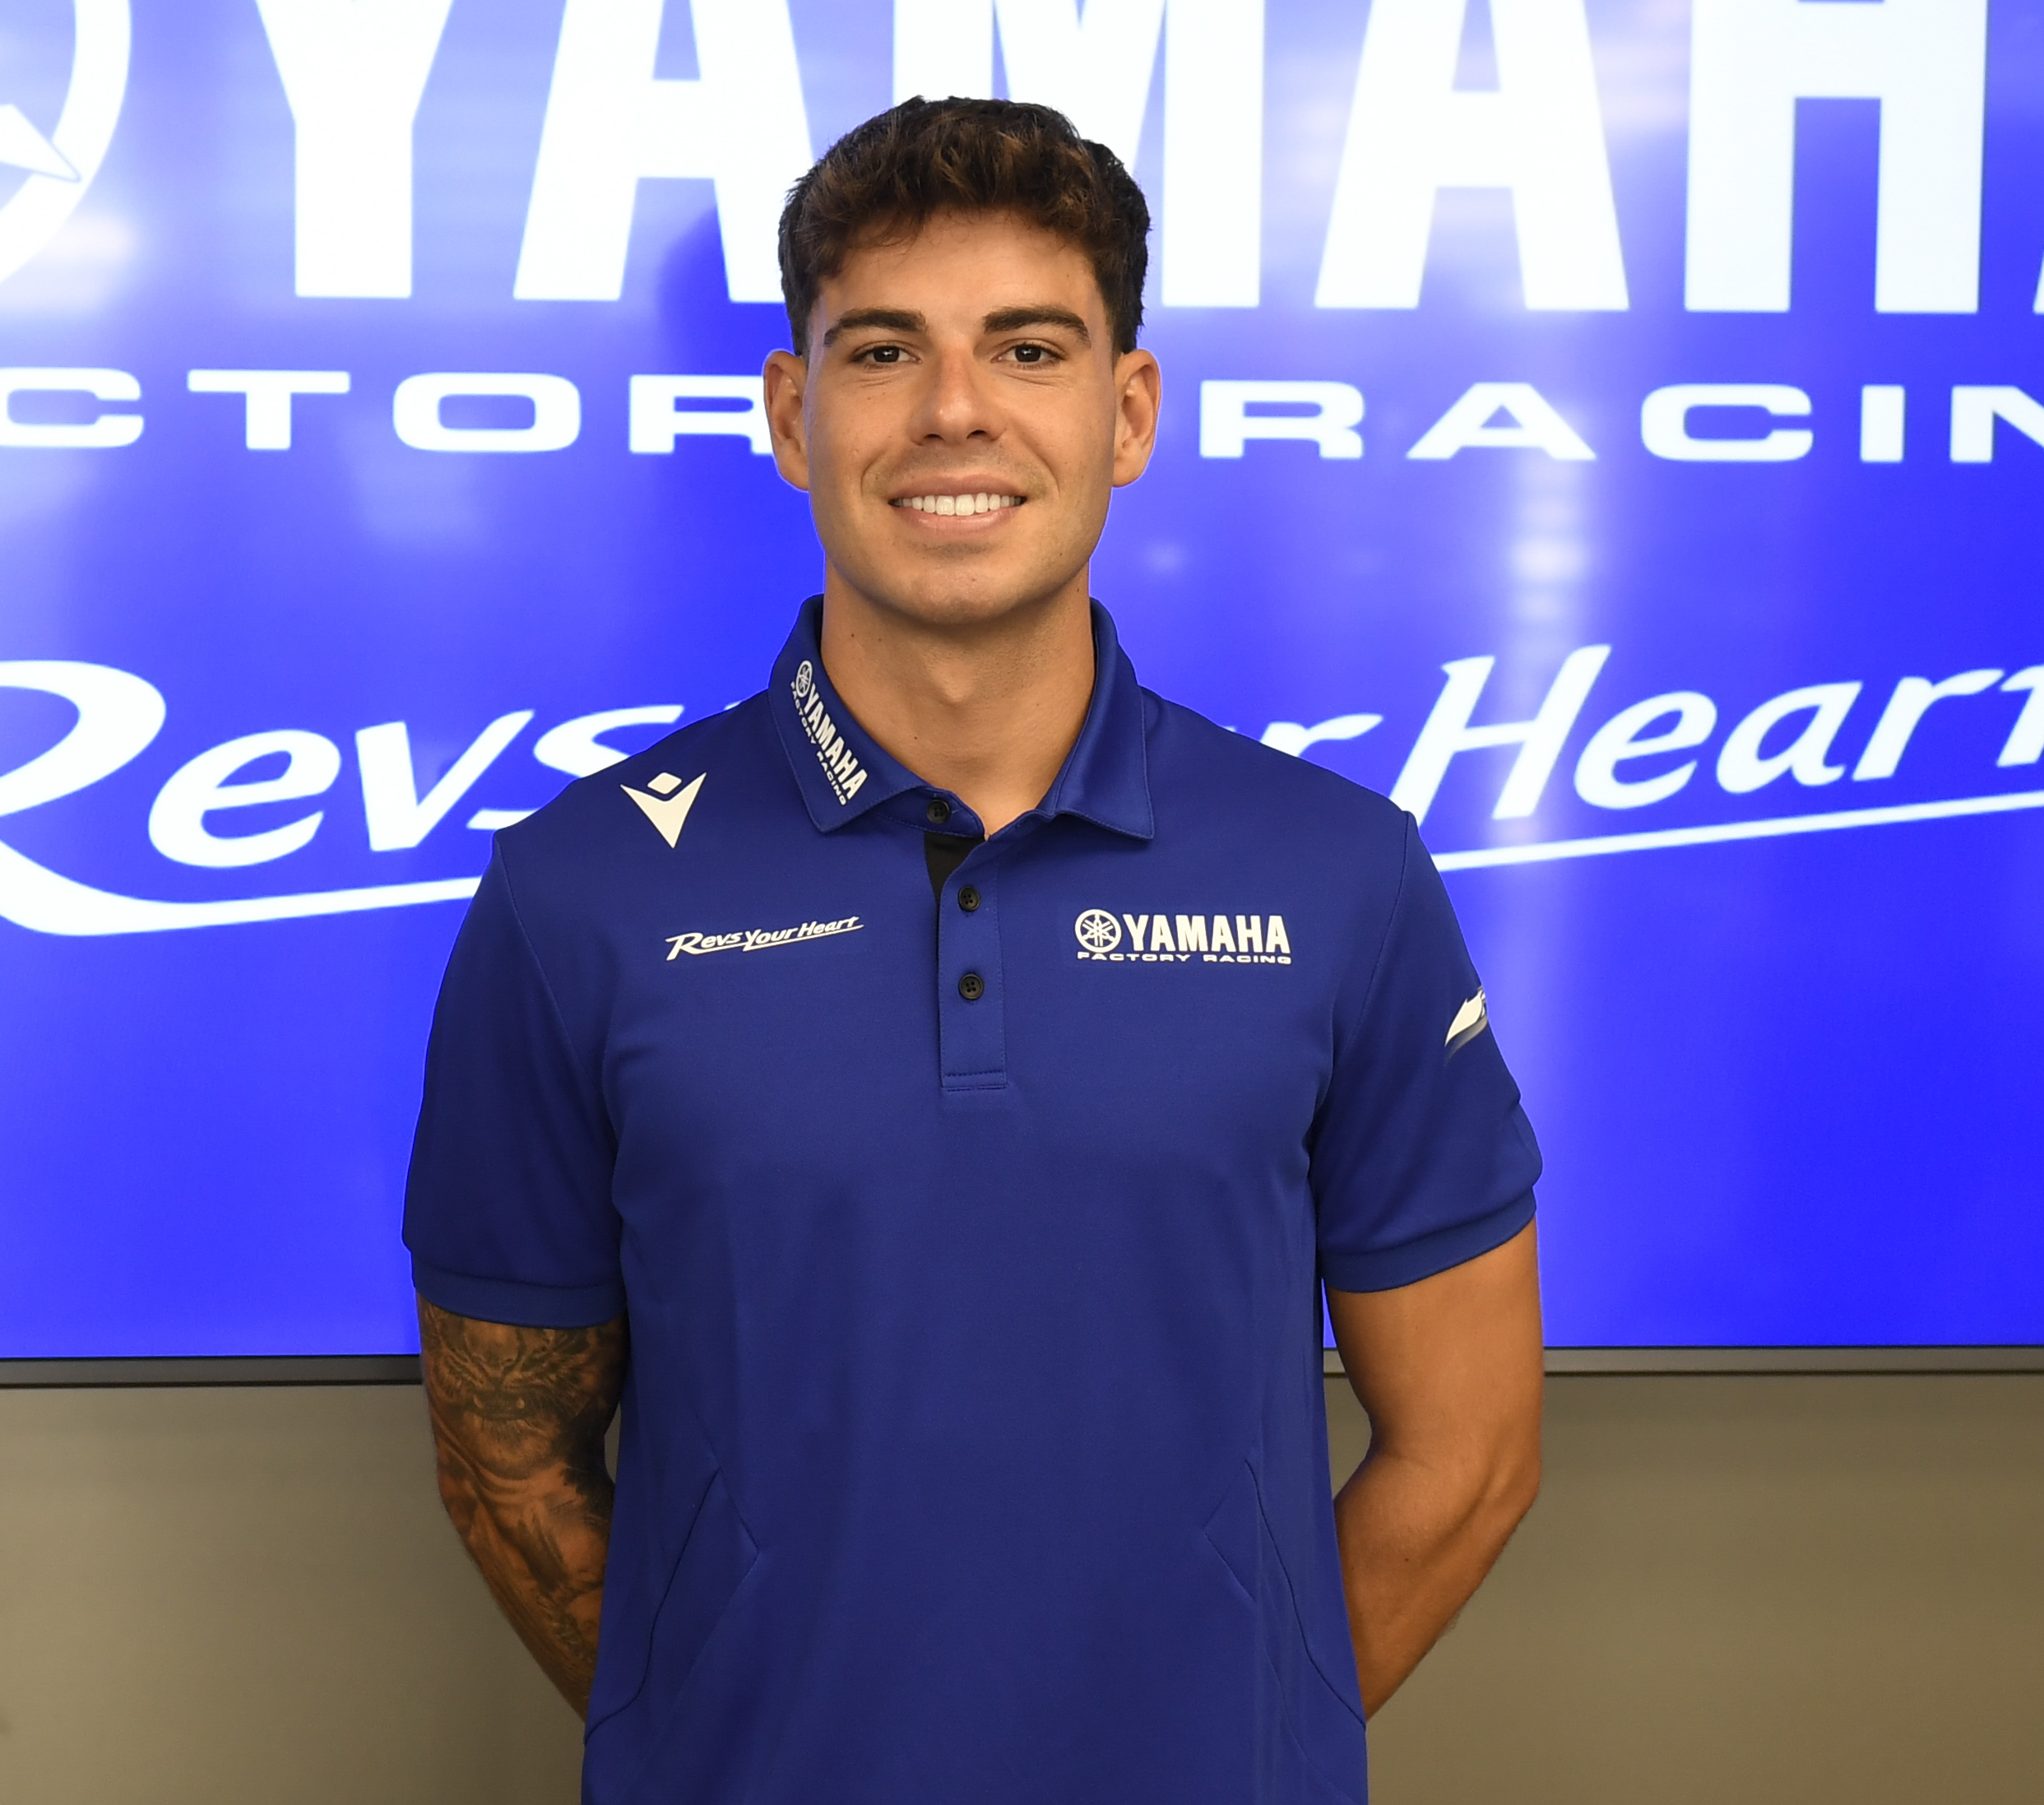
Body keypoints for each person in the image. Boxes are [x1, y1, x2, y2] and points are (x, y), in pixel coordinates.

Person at [404, 96, 1542, 1804]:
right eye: (882, 350)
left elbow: (1471, 1451)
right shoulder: (579, 891)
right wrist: (724, 1736)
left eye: (1027, 346)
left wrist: (1238, 1744)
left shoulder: (1339, 874)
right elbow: (507, 1463)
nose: (955, 408)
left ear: (1126, 411)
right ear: (792, 415)